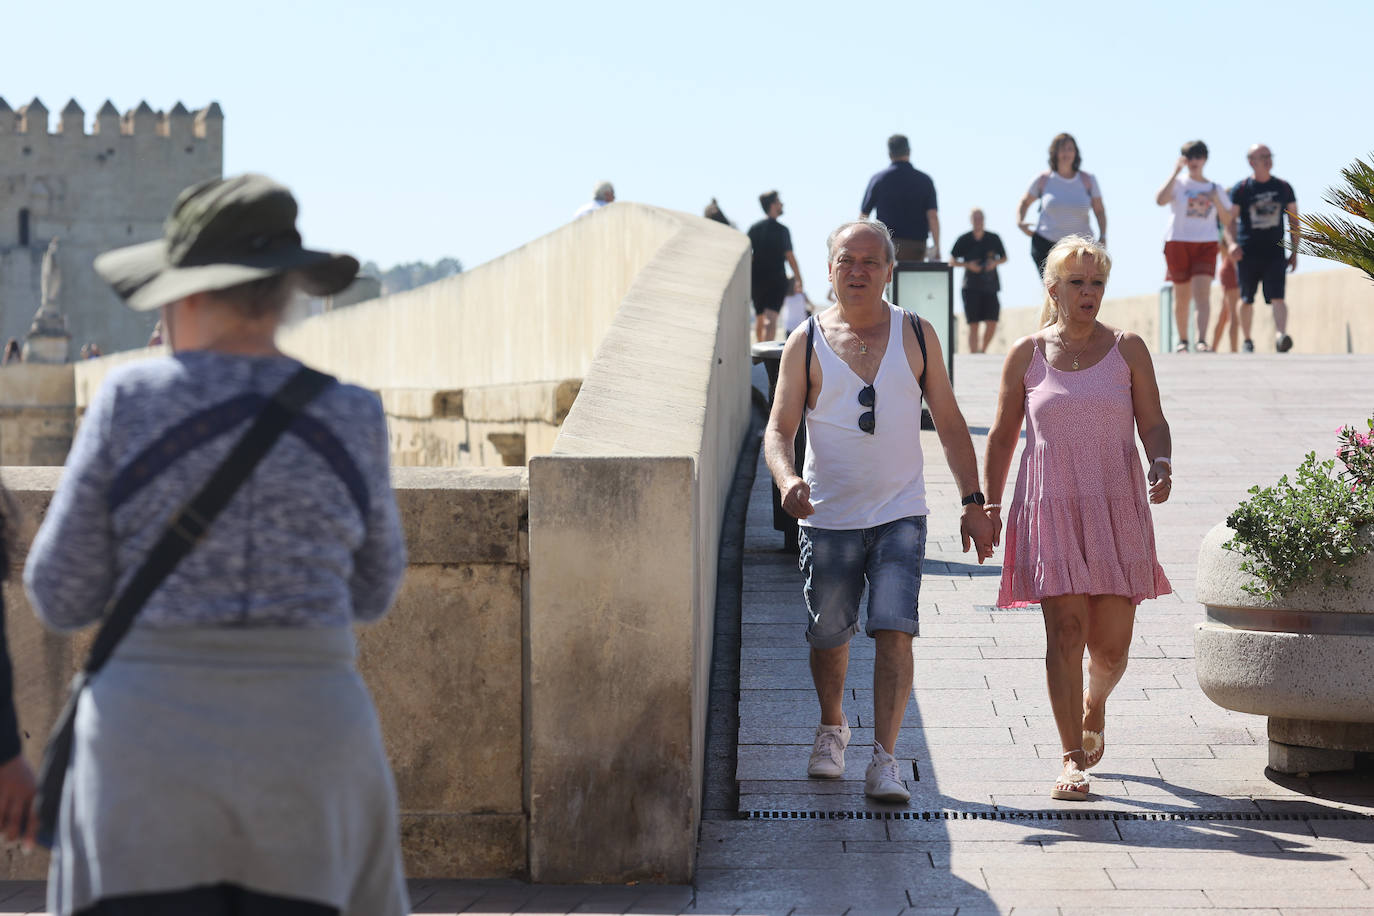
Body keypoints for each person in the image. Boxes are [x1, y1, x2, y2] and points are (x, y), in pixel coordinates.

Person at [25, 174, 409, 916]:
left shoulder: (128, 404)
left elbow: (59, 594)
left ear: (193, 295)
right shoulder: (353, 415)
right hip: (311, 744)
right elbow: (373, 590)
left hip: (145, 753)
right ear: (284, 295)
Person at [765, 219, 995, 804]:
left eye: (871, 261)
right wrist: (787, 477)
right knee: (828, 635)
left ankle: (886, 759)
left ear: (890, 271)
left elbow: (947, 420)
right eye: (847, 261)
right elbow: (779, 427)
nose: (859, 271)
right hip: (828, 516)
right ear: (830, 270)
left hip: (900, 513)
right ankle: (832, 726)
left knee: (895, 632)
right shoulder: (806, 340)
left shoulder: (917, 334)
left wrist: (974, 502)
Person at [982, 235, 1172, 802]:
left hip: (1116, 503)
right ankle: (1070, 758)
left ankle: (1095, 704)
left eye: (1096, 283)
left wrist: (1159, 459)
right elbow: (1000, 436)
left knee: (1111, 645)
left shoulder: (1128, 348)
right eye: (1076, 283)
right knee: (1065, 629)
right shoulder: (1027, 354)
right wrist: (987, 506)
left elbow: (1154, 421)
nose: (1088, 293)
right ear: (1053, 289)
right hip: (1051, 505)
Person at [1155, 141, 1234, 353]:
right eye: (1190, 156)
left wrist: (1216, 200)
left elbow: (1227, 219)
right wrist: (1175, 172)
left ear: (1205, 159)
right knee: (1182, 295)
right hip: (1178, 241)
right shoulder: (1179, 184)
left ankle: (1201, 340)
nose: (1194, 161)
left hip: (1205, 243)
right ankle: (1182, 340)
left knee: (1202, 293)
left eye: (1198, 156)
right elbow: (1160, 200)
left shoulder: (1215, 188)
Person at [1229, 144, 1299, 352]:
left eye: (1269, 156)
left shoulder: (1284, 187)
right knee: (1246, 298)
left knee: (1278, 296)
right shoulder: (1241, 189)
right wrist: (1232, 244)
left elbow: (1294, 220)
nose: (1268, 159)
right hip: (1247, 252)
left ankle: (1281, 336)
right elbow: (1230, 221)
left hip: (1275, 251)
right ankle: (1248, 340)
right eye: (1263, 156)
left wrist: (1295, 250)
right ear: (1252, 162)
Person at [1017, 133, 1107, 276]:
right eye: (1062, 149)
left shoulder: (1087, 180)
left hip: (1081, 247)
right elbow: (1024, 202)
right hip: (1047, 244)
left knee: (1079, 287)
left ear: (1076, 153)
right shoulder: (1043, 179)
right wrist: (1020, 222)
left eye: (1070, 149)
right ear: (1055, 153)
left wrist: (1103, 236)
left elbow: (1099, 210)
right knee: (1055, 289)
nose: (1066, 153)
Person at [860, 134, 939, 261]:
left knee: (886, 279)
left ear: (890, 153)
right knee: (913, 280)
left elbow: (863, 217)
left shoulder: (878, 179)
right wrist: (937, 248)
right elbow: (933, 216)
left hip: (886, 244)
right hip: (916, 246)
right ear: (909, 152)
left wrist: (862, 245)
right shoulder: (925, 180)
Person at [949, 209, 1008, 353]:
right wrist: (968, 265)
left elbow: (1004, 257)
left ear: (984, 219)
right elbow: (952, 261)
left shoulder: (993, 238)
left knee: (992, 321)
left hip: (991, 285)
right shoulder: (964, 239)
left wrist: (993, 263)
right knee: (973, 325)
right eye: (975, 218)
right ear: (971, 220)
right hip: (970, 286)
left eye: (980, 217)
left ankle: (982, 350)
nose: (978, 220)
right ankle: (974, 355)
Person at [748, 190, 802, 343]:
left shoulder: (754, 228)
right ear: (772, 205)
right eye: (779, 201)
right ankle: (765, 359)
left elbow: (748, 255)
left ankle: (758, 354)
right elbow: (790, 257)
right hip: (776, 279)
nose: (782, 204)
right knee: (771, 319)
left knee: (760, 318)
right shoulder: (782, 230)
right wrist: (799, 278)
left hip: (756, 279)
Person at [1211, 224, 1241, 352]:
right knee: (1234, 314)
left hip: (1230, 269)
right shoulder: (1230, 226)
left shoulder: (1230, 225)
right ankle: (1233, 350)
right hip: (1231, 271)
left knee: (1225, 314)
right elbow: (1222, 247)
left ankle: (1213, 348)